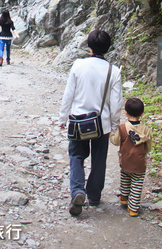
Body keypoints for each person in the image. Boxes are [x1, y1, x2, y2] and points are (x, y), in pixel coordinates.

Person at [59, 29, 122, 216]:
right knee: (99, 160)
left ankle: (78, 190)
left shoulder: (78, 65)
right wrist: (115, 124)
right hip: (101, 125)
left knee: (76, 156)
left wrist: (63, 118)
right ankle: (94, 196)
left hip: (78, 121)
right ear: (108, 48)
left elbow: (68, 94)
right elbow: (116, 102)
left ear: (89, 47)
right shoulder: (114, 71)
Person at [110, 97, 152, 217]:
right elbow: (148, 146)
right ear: (142, 113)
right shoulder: (146, 130)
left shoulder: (122, 128)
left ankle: (124, 197)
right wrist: (144, 153)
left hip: (126, 160)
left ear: (126, 112)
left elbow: (116, 141)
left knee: (125, 178)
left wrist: (111, 134)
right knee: (137, 184)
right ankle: (133, 208)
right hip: (139, 162)